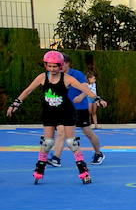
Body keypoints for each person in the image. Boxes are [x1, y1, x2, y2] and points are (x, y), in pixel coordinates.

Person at [6, 50, 106, 183]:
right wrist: (16, 103)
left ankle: (84, 172)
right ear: (45, 65)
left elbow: (84, 89)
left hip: (66, 112)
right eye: (50, 66)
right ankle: (39, 169)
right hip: (49, 113)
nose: (52, 69)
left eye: (55, 66)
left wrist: (97, 98)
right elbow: (28, 90)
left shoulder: (67, 78)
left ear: (61, 66)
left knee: (71, 142)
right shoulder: (42, 77)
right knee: (47, 142)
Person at [51, 55, 104, 166]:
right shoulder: (57, 75)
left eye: (62, 64)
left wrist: (81, 96)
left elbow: (86, 88)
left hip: (80, 108)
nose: (59, 66)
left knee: (88, 132)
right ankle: (56, 158)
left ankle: (98, 153)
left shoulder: (77, 74)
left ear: (68, 63)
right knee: (61, 132)